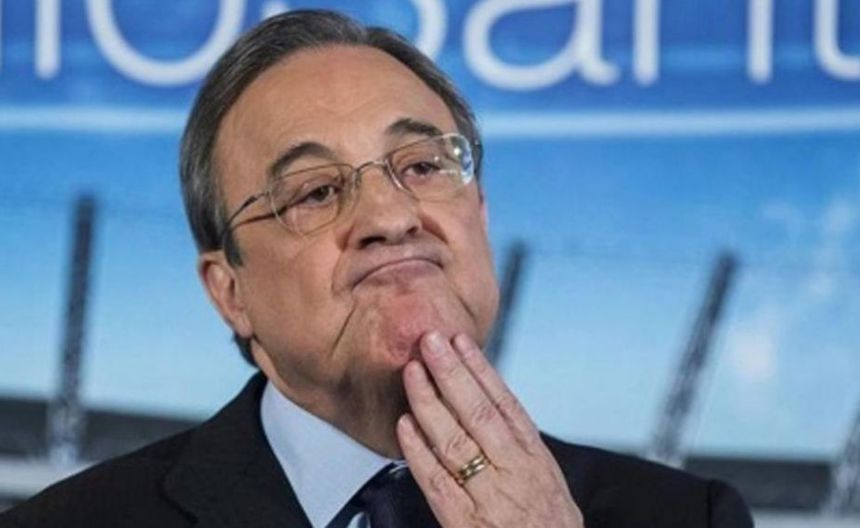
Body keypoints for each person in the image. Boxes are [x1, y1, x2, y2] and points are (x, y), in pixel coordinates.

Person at [1, 10, 753, 528]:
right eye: (316, 192)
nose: (392, 216)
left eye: (422, 165)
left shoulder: (687, 518)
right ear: (230, 293)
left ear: (480, 214)